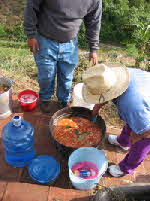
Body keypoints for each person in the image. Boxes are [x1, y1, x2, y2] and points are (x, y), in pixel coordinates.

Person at [24, 0, 102, 113]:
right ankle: (45, 99)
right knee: (46, 75)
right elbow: (31, 6)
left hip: (70, 44)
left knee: (66, 78)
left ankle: (63, 102)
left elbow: (93, 22)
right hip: (44, 41)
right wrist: (31, 35)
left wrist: (93, 48)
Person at [79, 63, 150, 177]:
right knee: (133, 123)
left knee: (140, 145)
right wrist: (96, 109)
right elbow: (105, 92)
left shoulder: (130, 104)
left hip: (147, 122)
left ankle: (125, 168)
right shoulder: (117, 76)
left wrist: (136, 137)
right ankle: (123, 142)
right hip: (143, 105)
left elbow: (147, 131)